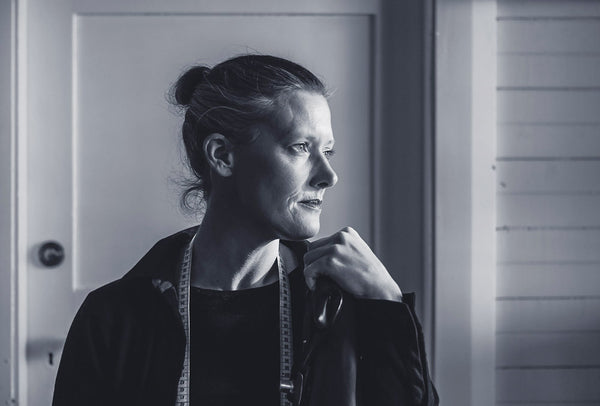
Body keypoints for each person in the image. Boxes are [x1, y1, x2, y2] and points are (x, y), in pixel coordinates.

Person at [52, 54, 438, 406]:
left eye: (328, 151)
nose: (328, 176)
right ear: (222, 155)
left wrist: (388, 304)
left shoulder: (341, 304)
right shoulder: (115, 318)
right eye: (301, 147)